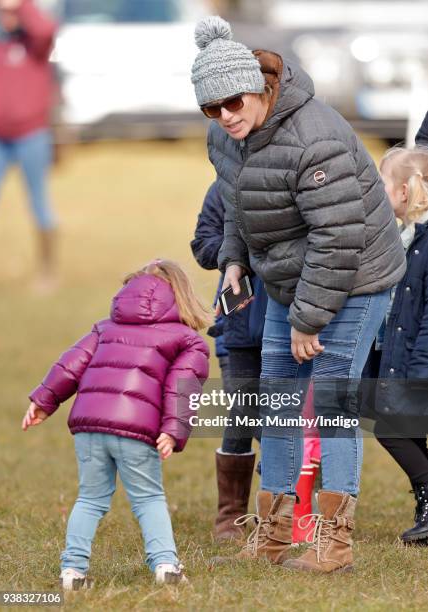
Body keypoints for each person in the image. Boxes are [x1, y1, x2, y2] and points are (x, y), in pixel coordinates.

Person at [190, 16, 406, 572]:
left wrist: (307, 319)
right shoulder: (227, 135)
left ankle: (334, 545)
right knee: (280, 398)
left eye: (234, 103)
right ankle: (272, 535)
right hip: (290, 273)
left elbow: (340, 238)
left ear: (260, 88)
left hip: (355, 275)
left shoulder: (316, 137)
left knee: (331, 400)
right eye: (211, 109)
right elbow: (238, 201)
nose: (226, 116)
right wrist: (235, 259)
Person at [22, 259, 210, 589]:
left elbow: (70, 365)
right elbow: (183, 385)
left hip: (89, 428)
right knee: (149, 498)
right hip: (136, 432)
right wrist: (172, 429)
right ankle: (166, 565)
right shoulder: (186, 340)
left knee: (90, 498)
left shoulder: (104, 328)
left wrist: (43, 401)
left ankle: (72, 571)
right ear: (182, 296)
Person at [191, 180, 268, 541]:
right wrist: (238, 252)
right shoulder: (224, 186)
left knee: (287, 410)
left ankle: (284, 505)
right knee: (244, 408)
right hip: (237, 316)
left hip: (291, 311)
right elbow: (202, 244)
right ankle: (231, 513)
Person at [372, 147, 428, 545]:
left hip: (419, 363)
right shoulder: (403, 237)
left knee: (391, 427)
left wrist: (418, 372)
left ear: (405, 192)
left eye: (383, 185)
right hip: (401, 356)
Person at [0, 0, 58, 288]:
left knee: (39, 204)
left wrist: (21, 4)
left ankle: (47, 273)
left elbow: (46, 29)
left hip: (32, 135)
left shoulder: (36, 46)